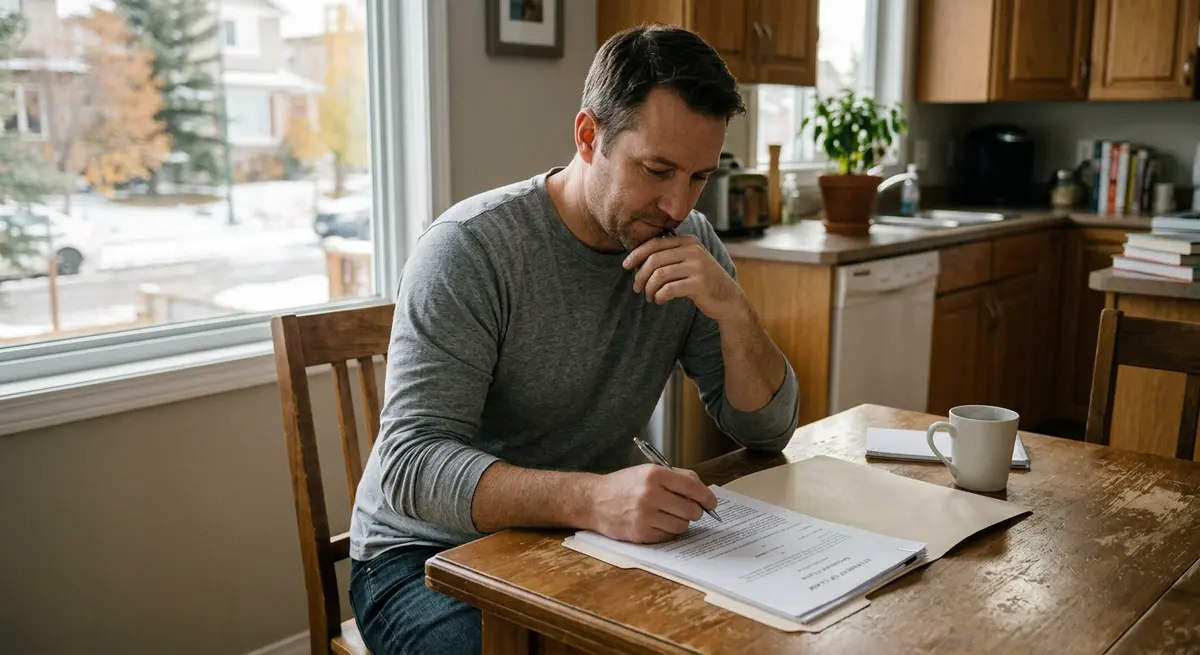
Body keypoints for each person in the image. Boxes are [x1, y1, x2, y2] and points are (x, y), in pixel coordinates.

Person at [347, 23, 801, 655]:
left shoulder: (688, 241)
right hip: (428, 552)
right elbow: (411, 465)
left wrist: (733, 308)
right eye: (657, 169)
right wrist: (592, 498)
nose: (676, 203)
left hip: (588, 539)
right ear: (589, 136)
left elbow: (766, 431)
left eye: (697, 177)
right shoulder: (470, 250)